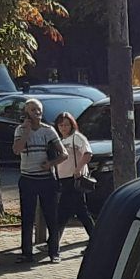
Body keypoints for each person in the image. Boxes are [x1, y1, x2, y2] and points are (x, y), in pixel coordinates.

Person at [11, 97, 65, 264]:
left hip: (46, 179)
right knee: (27, 218)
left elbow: (64, 154)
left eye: (39, 110)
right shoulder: (20, 130)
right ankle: (27, 253)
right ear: (26, 112)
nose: (37, 113)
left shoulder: (48, 131)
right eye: (33, 110)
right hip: (28, 179)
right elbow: (16, 150)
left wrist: (50, 163)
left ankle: (54, 252)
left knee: (51, 216)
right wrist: (26, 131)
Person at [54, 112, 95, 237]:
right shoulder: (60, 140)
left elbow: (88, 154)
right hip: (63, 179)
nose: (63, 128)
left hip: (74, 179)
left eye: (66, 125)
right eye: (61, 125)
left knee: (67, 211)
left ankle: (53, 242)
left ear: (72, 125)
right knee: (75, 211)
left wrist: (78, 169)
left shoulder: (77, 138)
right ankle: (95, 238)